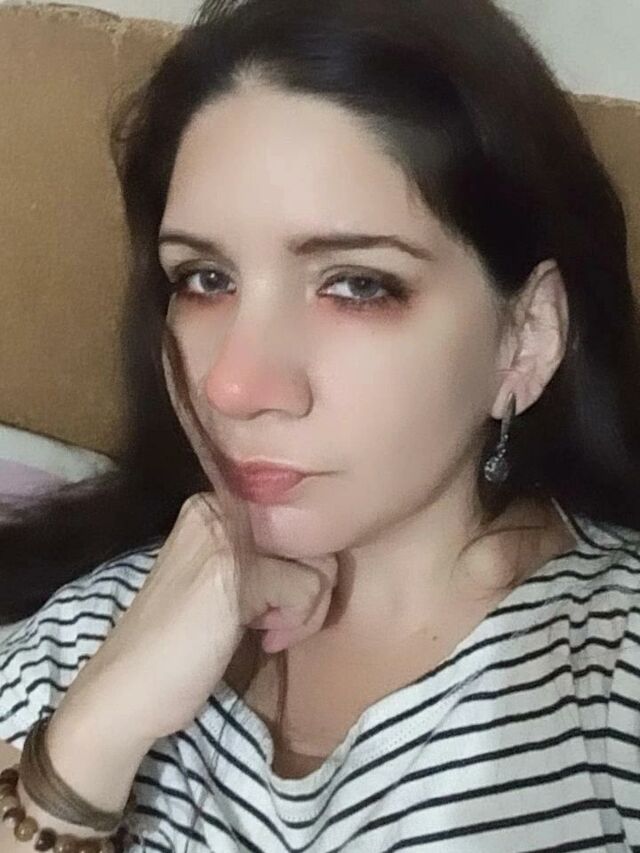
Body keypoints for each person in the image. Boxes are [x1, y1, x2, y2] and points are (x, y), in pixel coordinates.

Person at [1, 0, 639, 850]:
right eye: (204, 279)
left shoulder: (612, 681)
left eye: (357, 285)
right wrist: (86, 747)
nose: (232, 384)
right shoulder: (92, 638)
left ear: (526, 336)